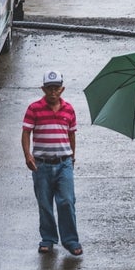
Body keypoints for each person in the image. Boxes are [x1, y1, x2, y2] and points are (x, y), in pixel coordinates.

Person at [22, 69, 82, 256]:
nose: (53, 92)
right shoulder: (34, 108)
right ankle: (47, 239)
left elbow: (71, 134)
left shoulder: (69, 109)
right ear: (43, 89)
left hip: (64, 163)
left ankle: (71, 240)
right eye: (49, 89)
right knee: (45, 203)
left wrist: (72, 157)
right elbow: (26, 133)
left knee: (66, 202)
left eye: (56, 88)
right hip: (41, 165)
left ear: (62, 89)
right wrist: (28, 156)